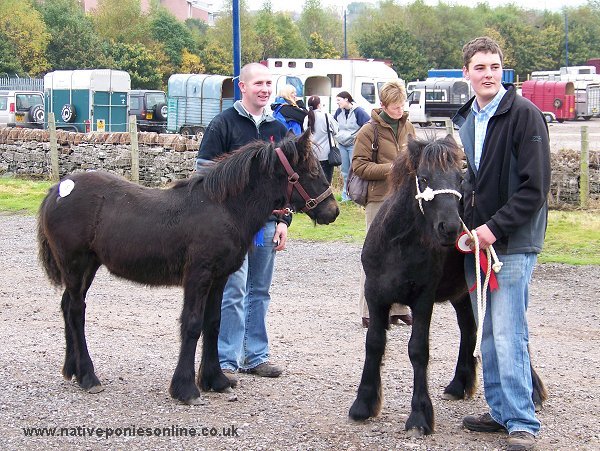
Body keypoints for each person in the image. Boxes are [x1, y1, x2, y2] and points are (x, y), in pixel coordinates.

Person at [452, 36, 551, 451]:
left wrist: (492, 229)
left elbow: (535, 188)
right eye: (480, 67)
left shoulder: (525, 115)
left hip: (510, 243)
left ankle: (522, 421)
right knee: (488, 332)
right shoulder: (467, 120)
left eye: (494, 67)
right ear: (466, 74)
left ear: (502, 71)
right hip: (478, 245)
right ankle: (500, 410)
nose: (488, 74)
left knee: (509, 331)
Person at [196, 62, 290, 381]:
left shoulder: (278, 128)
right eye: (259, 83)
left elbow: (287, 182)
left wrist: (283, 221)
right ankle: (225, 359)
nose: (265, 89)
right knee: (232, 289)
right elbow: (203, 173)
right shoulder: (223, 124)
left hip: (264, 227)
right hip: (231, 229)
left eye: (269, 83)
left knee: (259, 289)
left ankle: (255, 356)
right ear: (243, 87)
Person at [351, 80, 415, 328]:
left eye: (401, 105)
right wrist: (394, 169)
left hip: (405, 198)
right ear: (383, 105)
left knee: (402, 252)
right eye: (395, 106)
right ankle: (369, 309)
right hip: (378, 199)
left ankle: (398, 308)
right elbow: (359, 165)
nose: (399, 110)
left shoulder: (408, 126)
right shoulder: (368, 131)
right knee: (375, 254)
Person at [333, 91, 370, 201]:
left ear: (346, 99)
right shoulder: (339, 111)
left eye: (339, 100)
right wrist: (337, 135)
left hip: (353, 145)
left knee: (354, 170)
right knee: (344, 171)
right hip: (342, 144)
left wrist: (357, 136)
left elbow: (368, 124)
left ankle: (357, 195)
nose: (337, 103)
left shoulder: (358, 111)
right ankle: (346, 196)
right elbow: (334, 123)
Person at [304, 95, 339, 183]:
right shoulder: (326, 116)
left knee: (315, 181)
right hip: (326, 154)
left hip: (312, 154)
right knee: (327, 181)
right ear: (319, 105)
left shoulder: (306, 118)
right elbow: (336, 130)